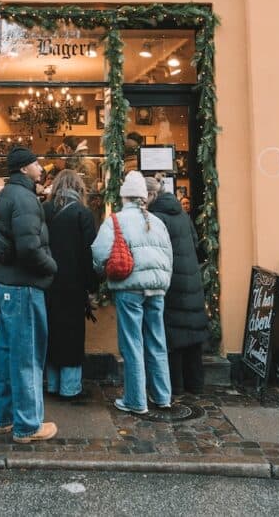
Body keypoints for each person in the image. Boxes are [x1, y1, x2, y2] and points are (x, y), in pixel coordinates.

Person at [0, 146, 58, 443]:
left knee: (7, 354)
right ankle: (28, 425)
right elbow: (30, 247)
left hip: (5, 283)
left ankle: (4, 418)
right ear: (23, 168)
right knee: (27, 356)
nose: (41, 168)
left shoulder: (4, 195)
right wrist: (52, 266)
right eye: (36, 163)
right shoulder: (26, 199)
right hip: (23, 287)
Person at [91, 171, 173, 415]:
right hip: (157, 288)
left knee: (132, 343)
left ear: (124, 196)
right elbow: (169, 256)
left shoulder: (115, 220)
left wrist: (101, 271)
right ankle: (162, 396)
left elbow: (99, 253)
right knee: (157, 341)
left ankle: (136, 400)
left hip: (129, 288)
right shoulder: (157, 222)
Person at [146, 176, 208, 397]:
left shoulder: (154, 218)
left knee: (172, 336)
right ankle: (196, 384)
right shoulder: (181, 214)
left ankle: (176, 386)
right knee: (192, 334)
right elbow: (196, 243)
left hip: (171, 281)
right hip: (191, 279)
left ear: (151, 195)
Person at [43, 169, 98, 402]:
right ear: (79, 188)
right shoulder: (83, 214)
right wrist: (92, 286)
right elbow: (89, 254)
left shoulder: (44, 210)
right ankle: (70, 387)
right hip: (73, 285)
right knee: (72, 335)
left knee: (51, 333)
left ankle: (52, 384)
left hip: (47, 282)